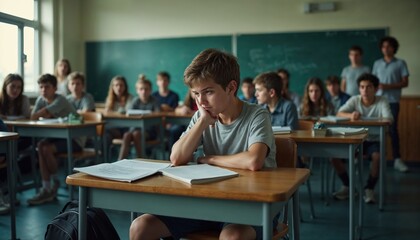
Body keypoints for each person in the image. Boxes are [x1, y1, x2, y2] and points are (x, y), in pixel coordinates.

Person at [129, 49, 276, 240]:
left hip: (252, 205)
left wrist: (210, 159)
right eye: (196, 93)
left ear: (231, 88)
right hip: (208, 202)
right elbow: (176, 157)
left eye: (208, 92)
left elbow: (253, 161)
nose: (201, 101)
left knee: (233, 237)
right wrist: (202, 122)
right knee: (140, 227)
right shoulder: (201, 115)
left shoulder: (257, 115)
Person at [332, 73, 393, 203]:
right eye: (362, 87)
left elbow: (388, 119)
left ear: (376, 89)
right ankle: (348, 186)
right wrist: (350, 116)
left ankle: (369, 189)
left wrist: (366, 120)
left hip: (374, 141)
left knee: (377, 156)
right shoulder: (355, 99)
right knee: (334, 155)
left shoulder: (382, 100)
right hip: (356, 139)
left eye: (369, 87)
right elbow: (339, 113)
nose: (365, 90)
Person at [27, 74, 80, 205]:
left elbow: (42, 114)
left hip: (75, 139)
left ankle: (55, 182)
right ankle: (47, 188)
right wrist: (41, 113)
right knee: (40, 145)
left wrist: (43, 113)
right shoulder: (41, 99)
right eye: (41, 87)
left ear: (55, 88)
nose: (43, 90)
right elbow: (33, 117)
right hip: (57, 138)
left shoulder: (60, 99)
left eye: (47, 87)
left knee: (46, 148)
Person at [372, 36, 409, 172]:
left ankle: (397, 160)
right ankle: (374, 158)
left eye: (388, 46)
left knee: (392, 130)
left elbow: (405, 82)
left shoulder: (400, 63)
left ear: (394, 48)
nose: (386, 49)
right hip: (377, 101)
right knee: (374, 130)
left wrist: (388, 86)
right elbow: (373, 82)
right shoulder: (377, 63)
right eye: (383, 47)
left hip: (392, 101)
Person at [118, 76, 160, 160]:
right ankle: (120, 161)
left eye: (146, 89)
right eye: (141, 89)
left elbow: (158, 115)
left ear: (150, 90)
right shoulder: (135, 100)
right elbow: (129, 113)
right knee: (127, 135)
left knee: (137, 134)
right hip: (134, 129)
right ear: (137, 90)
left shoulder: (154, 101)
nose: (143, 92)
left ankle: (142, 160)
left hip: (149, 131)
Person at [152, 71, 182, 148]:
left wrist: (168, 109)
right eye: (160, 80)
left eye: (165, 80)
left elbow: (176, 111)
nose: (163, 82)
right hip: (157, 123)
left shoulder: (174, 95)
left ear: (168, 82)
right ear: (157, 82)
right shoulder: (153, 96)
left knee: (175, 130)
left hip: (172, 122)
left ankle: (171, 153)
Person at [104, 75, 133, 142]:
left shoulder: (130, 98)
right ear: (112, 87)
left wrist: (112, 113)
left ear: (125, 87)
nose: (118, 87)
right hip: (113, 127)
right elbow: (107, 113)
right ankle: (105, 152)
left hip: (127, 127)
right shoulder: (109, 99)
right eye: (116, 85)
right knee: (105, 134)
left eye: (121, 85)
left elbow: (126, 112)